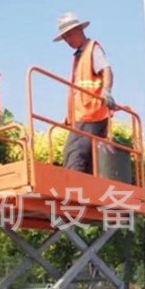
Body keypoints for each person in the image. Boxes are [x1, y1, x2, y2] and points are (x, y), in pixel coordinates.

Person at [53, 12, 116, 174]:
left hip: (91, 113)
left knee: (74, 156)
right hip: (84, 115)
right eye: (64, 37)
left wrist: (107, 91)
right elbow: (78, 90)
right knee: (87, 160)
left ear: (80, 30)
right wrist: (70, 115)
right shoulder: (80, 55)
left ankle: (73, 188)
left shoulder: (92, 49)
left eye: (69, 35)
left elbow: (107, 70)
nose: (67, 40)